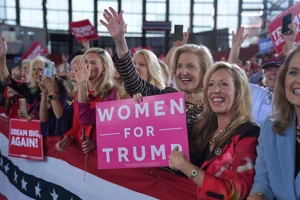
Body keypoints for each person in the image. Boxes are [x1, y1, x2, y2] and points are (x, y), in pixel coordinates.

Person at [100, 9, 213, 165]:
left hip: (189, 184)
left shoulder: (213, 109)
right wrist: (120, 40)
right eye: (179, 66)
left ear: (205, 71)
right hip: (156, 183)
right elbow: (134, 82)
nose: (183, 71)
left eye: (191, 66)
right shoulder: (167, 97)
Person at [168, 62, 260, 199]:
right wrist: (139, 104)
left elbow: (236, 193)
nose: (216, 90)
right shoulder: (202, 129)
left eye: (224, 84)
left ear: (239, 92)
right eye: (211, 84)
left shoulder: (248, 134)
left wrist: (186, 167)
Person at [248, 45, 300, 200]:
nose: (298, 79)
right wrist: (258, 195)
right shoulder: (270, 128)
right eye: (293, 72)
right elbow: (263, 181)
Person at [228, 24, 297, 126]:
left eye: (277, 69)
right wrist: (235, 47)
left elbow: (295, 68)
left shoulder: (290, 95)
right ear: (264, 74)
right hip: (252, 140)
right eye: (269, 69)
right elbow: (231, 77)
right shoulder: (256, 91)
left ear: (284, 73)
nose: (273, 72)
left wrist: (290, 42)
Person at [56, 47, 118, 154]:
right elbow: (77, 126)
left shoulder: (114, 94)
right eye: (85, 62)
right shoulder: (78, 93)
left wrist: (96, 143)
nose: (87, 66)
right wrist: (68, 138)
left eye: (93, 63)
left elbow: (117, 132)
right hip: (83, 157)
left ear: (104, 68)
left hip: (104, 155)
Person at [0, 36, 47, 120]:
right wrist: (2, 57)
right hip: (30, 131)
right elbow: (6, 79)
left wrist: (49, 95)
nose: (36, 72)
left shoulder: (55, 89)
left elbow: (60, 109)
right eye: (33, 69)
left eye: (40, 69)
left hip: (48, 132)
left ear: (47, 71)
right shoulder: (29, 88)